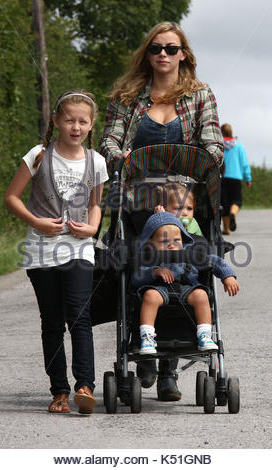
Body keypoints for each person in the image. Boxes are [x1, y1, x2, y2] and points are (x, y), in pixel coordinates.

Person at [99, 21, 224, 400]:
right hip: (136, 200)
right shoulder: (127, 96)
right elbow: (109, 140)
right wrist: (122, 158)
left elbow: (213, 141)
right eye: (156, 49)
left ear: (183, 53)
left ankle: (170, 367)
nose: (163, 55)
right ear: (147, 54)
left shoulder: (200, 94)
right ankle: (143, 355)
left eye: (171, 48)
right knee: (137, 268)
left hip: (185, 200)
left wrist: (200, 163)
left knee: (183, 267)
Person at [4, 89, 109, 414]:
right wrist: (37, 221)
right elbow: (12, 197)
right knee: (51, 321)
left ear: (91, 125)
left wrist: (92, 229)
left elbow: (95, 205)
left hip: (79, 249)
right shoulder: (38, 155)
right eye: (69, 120)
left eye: (82, 121)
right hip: (41, 250)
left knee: (79, 316)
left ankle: (84, 386)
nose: (75, 127)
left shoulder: (97, 161)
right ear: (56, 121)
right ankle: (59, 392)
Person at [132, 212, 239, 355]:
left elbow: (215, 261)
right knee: (149, 296)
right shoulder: (148, 257)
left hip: (187, 287)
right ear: (150, 244)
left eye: (177, 240)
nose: (171, 245)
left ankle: (205, 335)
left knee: (201, 295)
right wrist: (154, 272)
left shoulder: (190, 252)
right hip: (158, 288)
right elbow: (136, 279)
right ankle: (147, 337)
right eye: (164, 241)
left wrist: (228, 276)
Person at [220, 123, 252, 234]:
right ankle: (233, 213)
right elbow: (244, 163)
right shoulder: (239, 146)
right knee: (236, 201)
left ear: (221, 132)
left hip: (222, 177)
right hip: (236, 178)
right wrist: (248, 178)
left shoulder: (220, 145)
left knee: (224, 203)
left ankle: (226, 229)